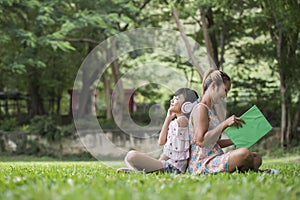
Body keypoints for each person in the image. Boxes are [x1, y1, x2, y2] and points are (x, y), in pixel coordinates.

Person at [188, 68, 277, 175]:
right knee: (244, 154)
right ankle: (255, 172)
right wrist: (225, 124)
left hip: (215, 157)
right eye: (225, 90)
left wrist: (236, 140)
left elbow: (213, 143)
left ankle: (241, 170)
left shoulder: (210, 111)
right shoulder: (201, 108)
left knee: (256, 157)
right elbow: (201, 141)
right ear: (213, 86)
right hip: (203, 163)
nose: (226, 95)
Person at [117, 88, 199, 174]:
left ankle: (139, 172)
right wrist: (168, 118)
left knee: (131, 156)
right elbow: (161, 141)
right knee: (128, 157)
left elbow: (173, 152)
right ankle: (139, 172)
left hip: (173, 168)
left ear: (187, 105)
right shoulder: (176, 122)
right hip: (166, 165)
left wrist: (157, 163)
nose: (172, 100)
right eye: (173, 98)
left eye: (177, 99)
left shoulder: (182, 121)